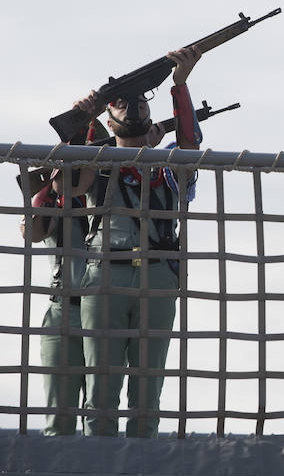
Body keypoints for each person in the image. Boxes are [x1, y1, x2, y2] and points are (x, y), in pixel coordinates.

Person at [57, 46, 202, 437]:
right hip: (103, 275)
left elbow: (190, 147)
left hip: (157, 277)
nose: (132, 109)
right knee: (100, 394)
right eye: (120, 103)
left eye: (139, 101)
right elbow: (67, 184)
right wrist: (80, 125)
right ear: (108, 115)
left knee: (147, 393)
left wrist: (180, 86)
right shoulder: (96, 158)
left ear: (153, 116)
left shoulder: (168, 163)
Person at [20, 121, 113, 435]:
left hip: (101, 309)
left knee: (100, 418)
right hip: (63, 308)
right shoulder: (53, 200)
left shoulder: (108, 197)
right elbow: (31, 231)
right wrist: (49, 187)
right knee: (59, 419)